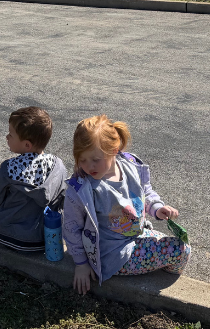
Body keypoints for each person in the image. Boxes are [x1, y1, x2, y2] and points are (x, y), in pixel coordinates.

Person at [63, 115, 191, 295]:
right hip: (114, 254)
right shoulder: (82, 188)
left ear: (114, 150)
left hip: (136, 235)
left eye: (95, 159)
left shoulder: (130, 165)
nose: (88, 166)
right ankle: (157, 272)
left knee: (180, 243)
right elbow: (71, 227)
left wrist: (157, 208)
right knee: (182, 250)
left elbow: (144, 192)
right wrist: (81, 264)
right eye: (82, 160)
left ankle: (153, 264)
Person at [0, 107, 67, 252]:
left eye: (11, 134)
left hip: (3, 233)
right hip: (42, 238)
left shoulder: (8, 168)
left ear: (27, 145)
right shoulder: (58, 166)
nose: (7, 137)